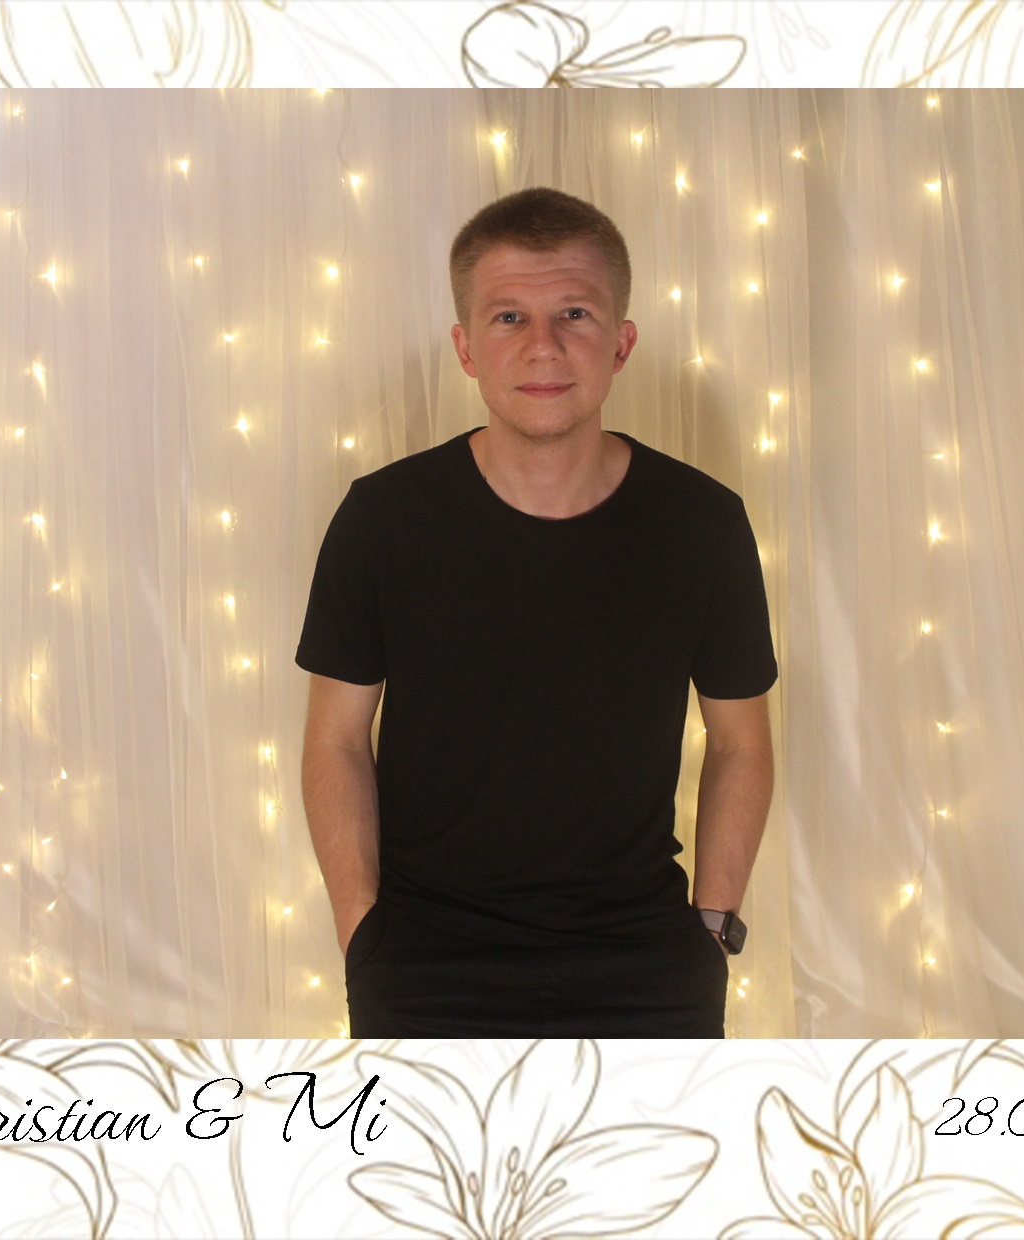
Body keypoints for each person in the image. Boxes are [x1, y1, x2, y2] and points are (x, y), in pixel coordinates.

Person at [295, 186, 777, 1037]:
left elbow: (741, 741)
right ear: (466, 348)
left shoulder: (701, 523)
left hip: (645, 962)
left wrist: (711, 929)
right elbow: (335, 740)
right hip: (426, 962)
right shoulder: (384, 519)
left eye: (575, 314)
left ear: (621, 343)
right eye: (509, 317)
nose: (543, 346)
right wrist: (362, 935)